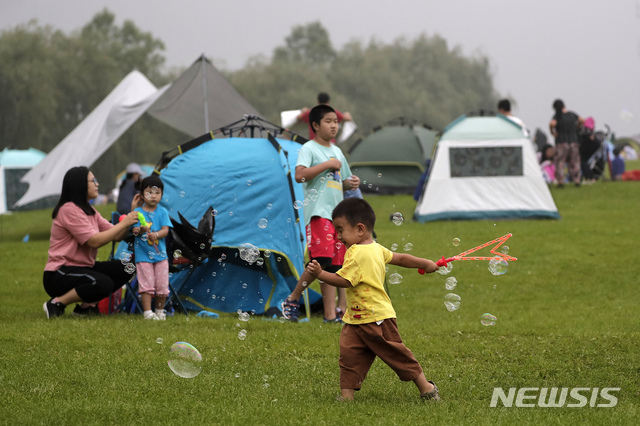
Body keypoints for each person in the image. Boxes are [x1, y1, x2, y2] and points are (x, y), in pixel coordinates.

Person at [305, 197, 441, 402]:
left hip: (377, 318)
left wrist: (320, 274)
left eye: (340, 230)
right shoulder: (376, 247)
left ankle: (427, 388)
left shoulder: (358, 253)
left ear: (360, 229)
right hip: (355, 318)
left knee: (397, 355)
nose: (338, 237)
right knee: (349, 356)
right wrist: (425, 263)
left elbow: (344, 281)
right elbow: (401, 258)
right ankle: (347, 396)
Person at [282, 104, 360, 323]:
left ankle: (330, 315)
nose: (334, 125)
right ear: (315, 125)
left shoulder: (337, 152)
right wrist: (327, 164)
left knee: (335, 266)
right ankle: (293, 298)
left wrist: (352, 183)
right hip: (318, 214)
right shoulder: (309, 148)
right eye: (328, 121)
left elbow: (342, 182)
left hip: (337, 217)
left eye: (336, 121)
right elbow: (300, 176)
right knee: (321, 260)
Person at [43, 166, 141, 318]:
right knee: (104, 283)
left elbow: (116, 235)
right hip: (60, 273)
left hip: (83, 268)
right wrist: (124, 223)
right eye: (93, 181)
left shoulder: (90, 210)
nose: (97, 184)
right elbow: (94, 241)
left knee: (127, 267)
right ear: (80, 184)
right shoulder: (69, 209)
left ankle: (86, 308)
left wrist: (132, 214)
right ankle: (57, 303)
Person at [131, 175, 173, 320]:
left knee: (162, 285)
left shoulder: (162, 212)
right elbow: (134, 231)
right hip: (143, 255)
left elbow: (165, 230)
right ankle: (148, 313)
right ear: (142, 195)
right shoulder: (138, 212)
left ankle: (160, 311)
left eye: (157, 192)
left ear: (161, 194)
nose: (153, 196)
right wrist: (140, 230)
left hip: (161, 255)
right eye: (149, 192)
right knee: (146, 284)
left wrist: (156, 235)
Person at [549, 99, 584, 187]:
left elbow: (552, 124)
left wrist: (552, 132)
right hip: (573, 141)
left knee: (560, 162)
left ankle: (561, 181)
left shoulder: (557, 116)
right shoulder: (572, 114)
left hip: (561, 142)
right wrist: (577, 126)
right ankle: (577, 180)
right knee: (574, 161)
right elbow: (582, 120)